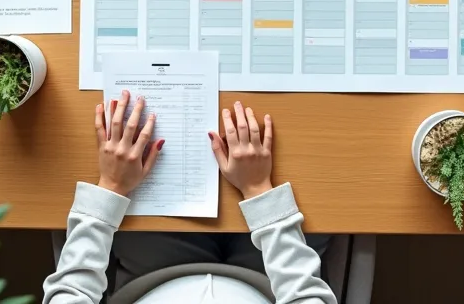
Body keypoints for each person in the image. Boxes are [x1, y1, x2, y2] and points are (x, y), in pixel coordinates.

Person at [43, 91, 336, 303]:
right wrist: (259, 189)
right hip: (269, 284)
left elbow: (71, 293)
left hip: (157, 274)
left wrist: (112, 185)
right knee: (325, 195)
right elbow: (305, 295)